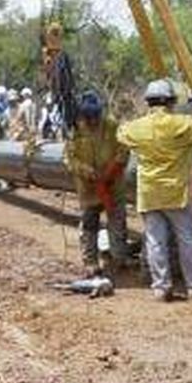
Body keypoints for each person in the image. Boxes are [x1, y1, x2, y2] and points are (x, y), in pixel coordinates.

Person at [117, 78, 192, 302]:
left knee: (155, 242)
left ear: (148, 102)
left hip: (149, 195)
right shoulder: (181, 124)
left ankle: (161, 288)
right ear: (171, 102)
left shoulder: (136, 128)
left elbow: (121, 133)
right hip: (177, 193)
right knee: (187, 240)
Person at [64, 91, 130, 276]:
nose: (93, 120)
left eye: (95, 116)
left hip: (113, 185)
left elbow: (124, 150)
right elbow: (69, 159)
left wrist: (111, 171)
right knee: (89, 225)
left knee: (117, 222)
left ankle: (118, 259)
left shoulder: (112, 126)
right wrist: (87, 172)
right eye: (88, 116)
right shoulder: (75, 131)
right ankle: (90, 262)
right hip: (88, 188)